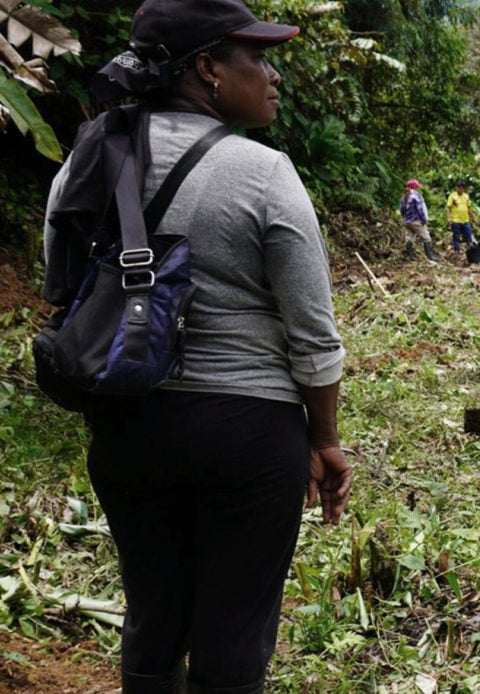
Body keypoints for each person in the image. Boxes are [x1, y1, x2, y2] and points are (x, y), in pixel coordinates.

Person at [41, 0, 351, 691]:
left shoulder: (85, 162)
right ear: (207, 69)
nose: (272, 77)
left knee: (153, 618)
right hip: (246, 434)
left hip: (126, 430)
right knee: (233, 631)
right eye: (257, 59)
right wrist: (324, 437)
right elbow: (313, 337)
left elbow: (61, 290)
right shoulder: (263, 172)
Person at [400, 179, 437, 262]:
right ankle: (430, 256)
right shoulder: (416, 196)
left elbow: (402, 210)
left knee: (410, 238)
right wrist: (424, 220)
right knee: (426, 237)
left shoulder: (404, 196)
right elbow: (420, 209)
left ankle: (411, 257)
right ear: (415, 187)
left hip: (407, 221)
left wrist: (405, 218)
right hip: (416, 221)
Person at [446, 181, 478, 253]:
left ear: (464, 189)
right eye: (458, 188)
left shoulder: (466, 196)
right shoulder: (452, 196)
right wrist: (448, 218)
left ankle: (471, 250)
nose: (459, 190)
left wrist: (473, 217)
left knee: (469, 235)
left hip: (465, 220)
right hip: (456, 220)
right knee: (456, 237)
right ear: (456, 188)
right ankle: (457, 251)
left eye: (461, 188)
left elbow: (469, 208)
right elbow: (448, 207)